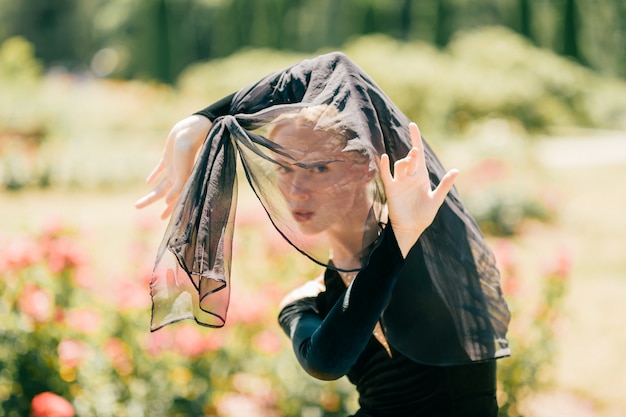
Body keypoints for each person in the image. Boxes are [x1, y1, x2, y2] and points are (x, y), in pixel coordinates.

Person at [135, 52, 511, 416]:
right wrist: (398, 236)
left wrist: (208, 116)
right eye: (284, 168)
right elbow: (328, 361)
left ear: (365, 166)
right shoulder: (307, 300)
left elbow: (335, 69)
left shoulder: (432, 247)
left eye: (318, 169)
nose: (296, 188)